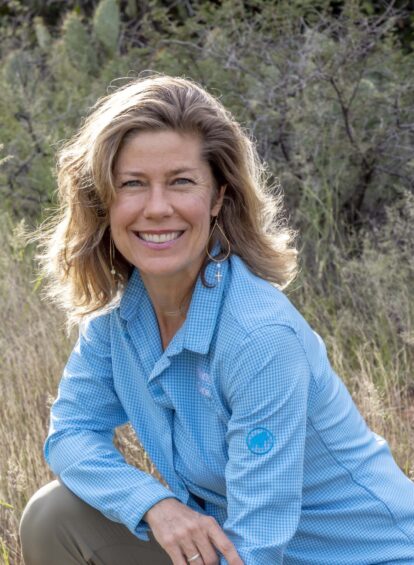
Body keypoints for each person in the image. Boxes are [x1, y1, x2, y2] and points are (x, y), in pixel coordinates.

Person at [19, 75, 414, 565]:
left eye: (181, 182)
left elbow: (257, 545)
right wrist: (156, 505)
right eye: (132, 184)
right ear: (103, 202)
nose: (157, 208)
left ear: (217, 198)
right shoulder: (117, 320)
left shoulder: (258, 337)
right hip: (238, 549)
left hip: (363, 558)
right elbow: (70, 435)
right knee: (53, 517)